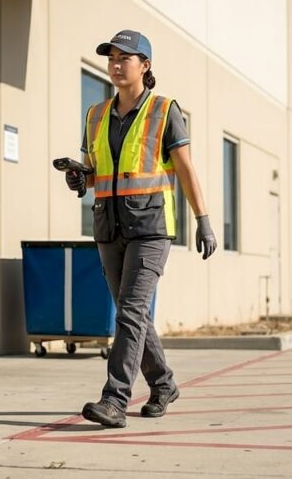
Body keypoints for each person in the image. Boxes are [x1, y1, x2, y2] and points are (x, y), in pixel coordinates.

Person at [65, 29, 217, 428]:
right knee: (134, 315)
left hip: (150, 227)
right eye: (111, 58)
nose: (115, 64)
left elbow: (185, 168)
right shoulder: (95, 114)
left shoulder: (166, 111)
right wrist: (81, 179)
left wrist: (203, 221)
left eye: (124, 58)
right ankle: (164, 384)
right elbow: (97, 172)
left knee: (131, 311)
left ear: (145, 66)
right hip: (108, 226)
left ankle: (115, 400)